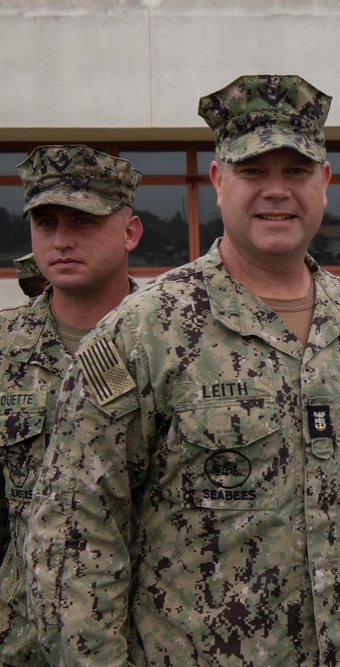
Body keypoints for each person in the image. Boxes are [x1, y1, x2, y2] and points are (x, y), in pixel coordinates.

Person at [25, 75, 340, 666]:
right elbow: (75, 534)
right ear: (217, 182)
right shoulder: (144, 332)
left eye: (296, 171)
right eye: (253, 172)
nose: (276, 191)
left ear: (325, 183)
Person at [1, 145, 143, 666]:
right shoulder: (4, 349)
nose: (61, 240)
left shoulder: (174, 344)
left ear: (129, 232)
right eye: (46, 222)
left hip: (150, 637)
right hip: (23, 644)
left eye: (83, 221)